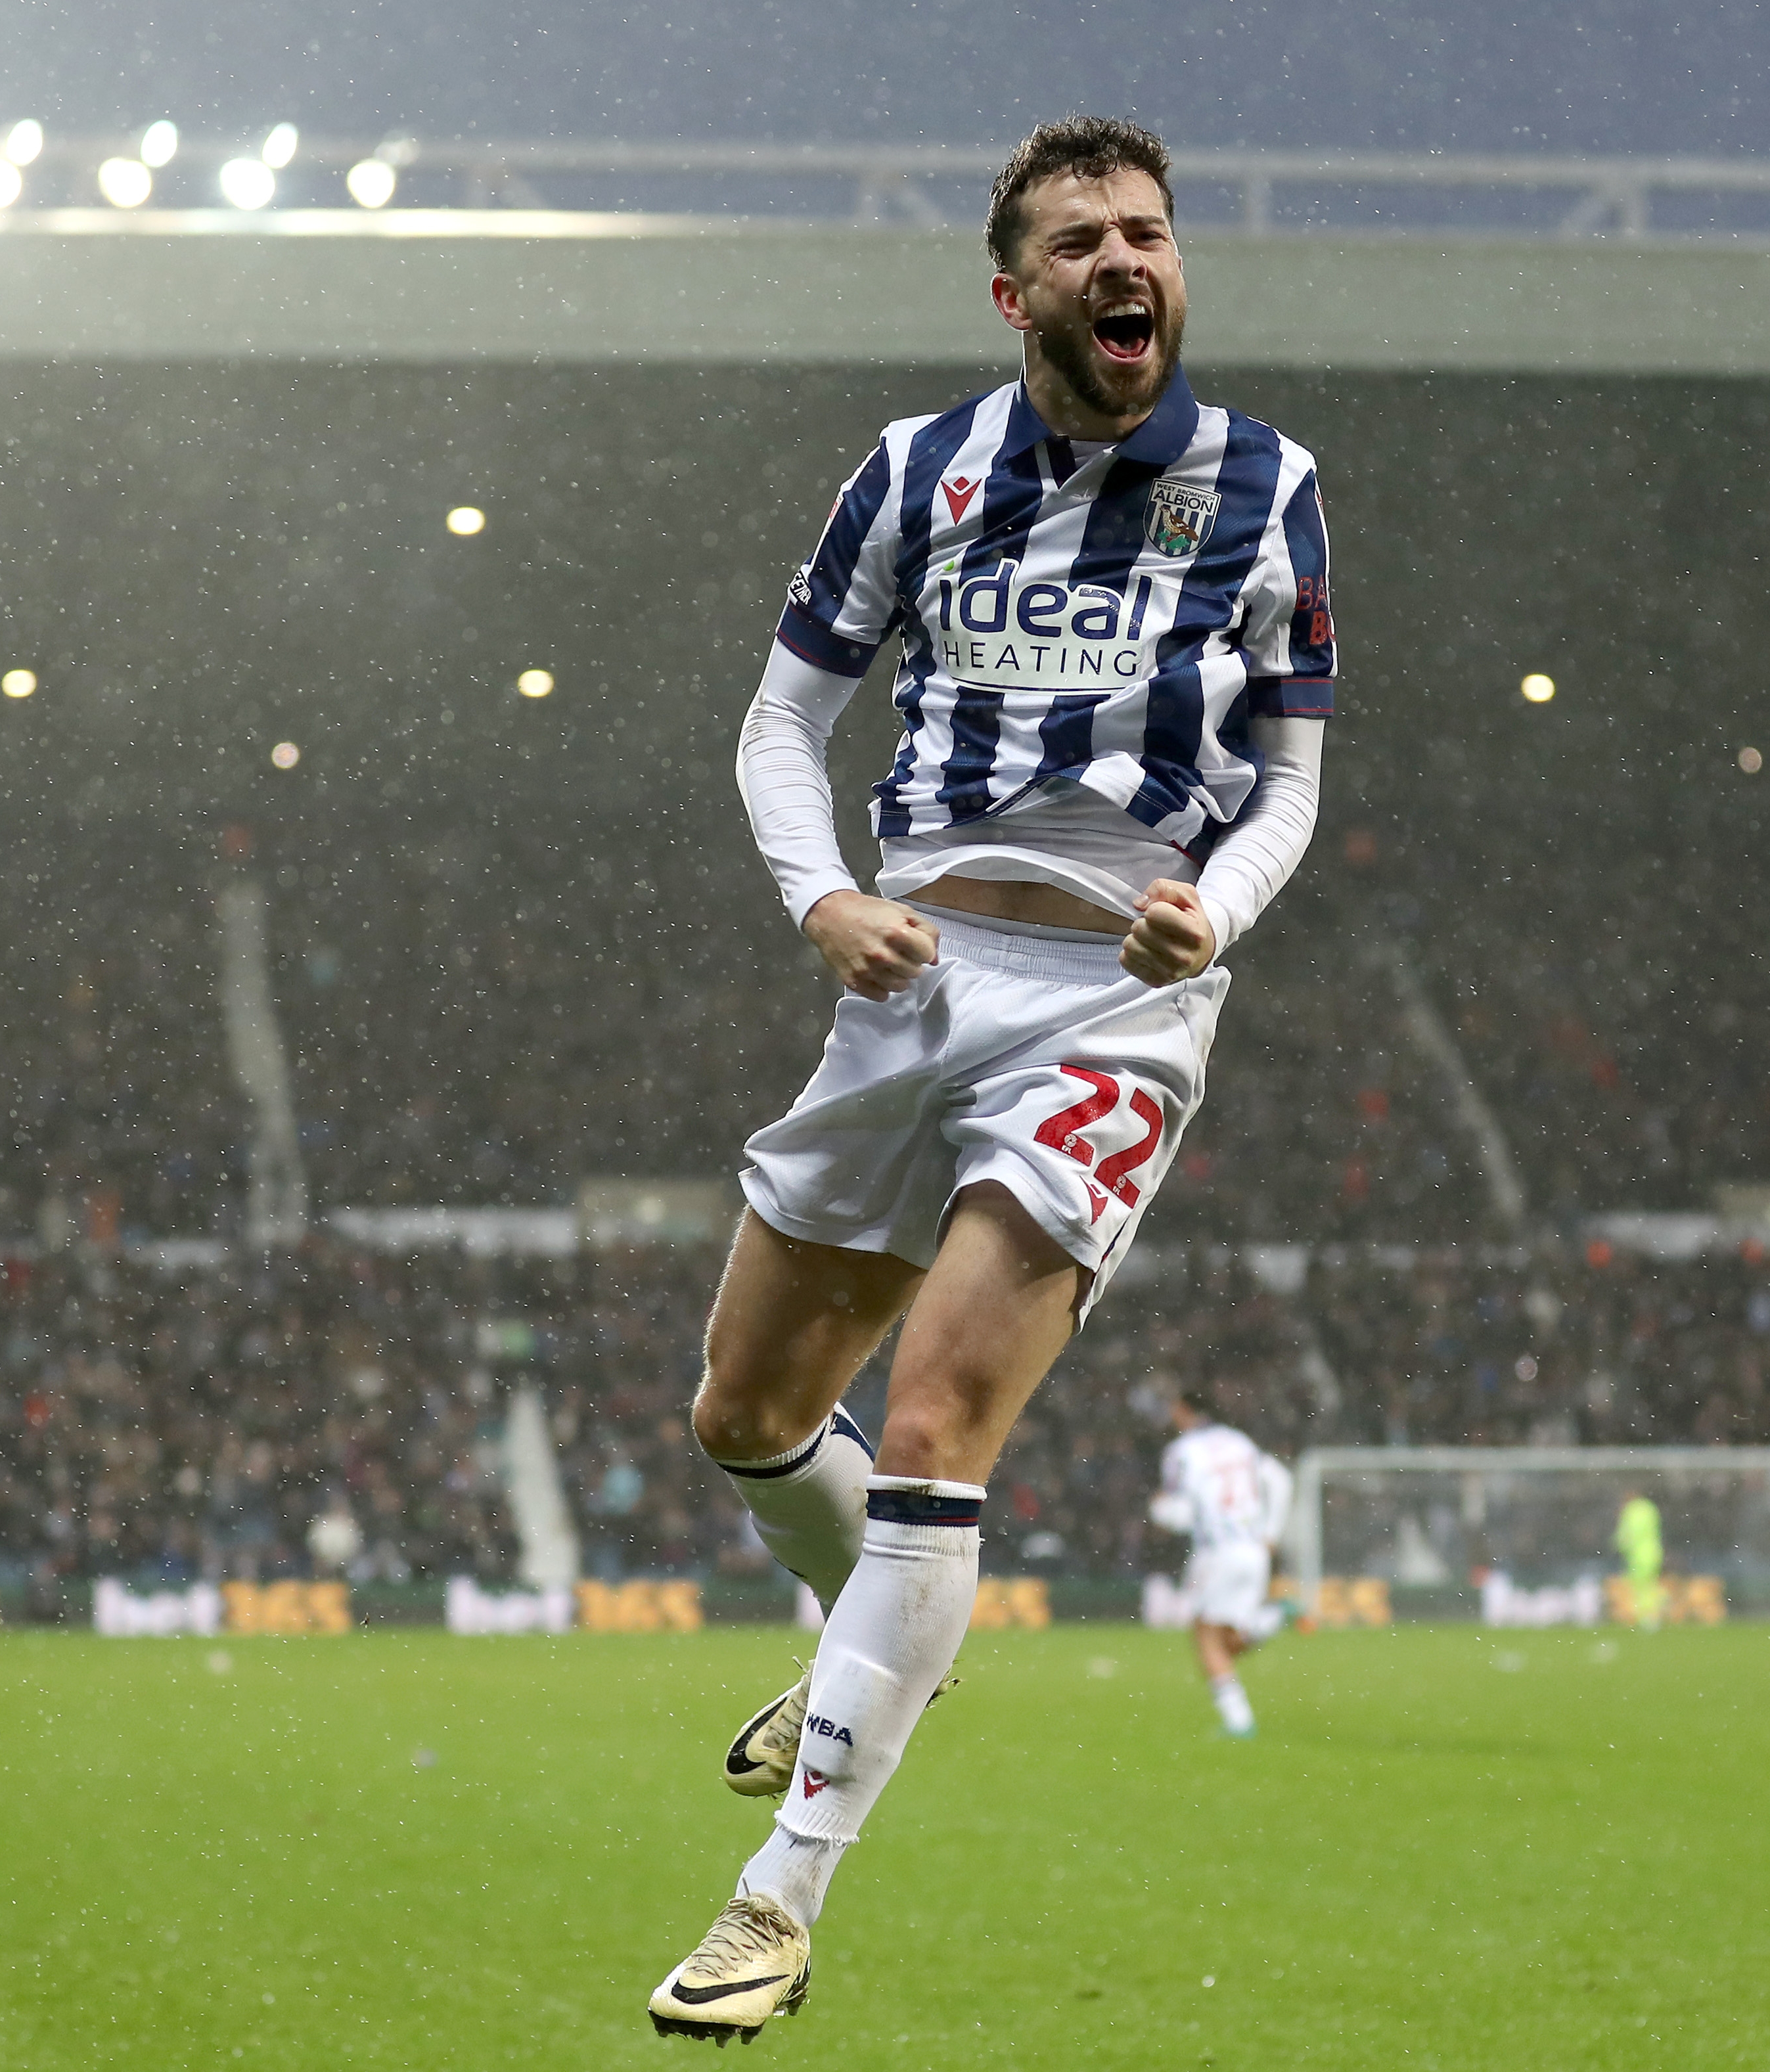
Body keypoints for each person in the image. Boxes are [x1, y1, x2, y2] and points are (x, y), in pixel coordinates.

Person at [647, 114, 1336, 2043]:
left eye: (1150, 231)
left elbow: (1283, 780)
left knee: (937, 1423)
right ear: (1014, 289)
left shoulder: (1265, 490)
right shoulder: (911, 473)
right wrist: (820, 899)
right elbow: (784, 716)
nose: (1129, 258)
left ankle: (774, 1898)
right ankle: (881, 1639)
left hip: (1110, 1001)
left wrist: (1224, 905)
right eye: (1082, 237)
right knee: (742, 1410)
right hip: (912, 969)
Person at [1150, 1393, 1294, 1736]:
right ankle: (1272, 1618)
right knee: (1229, 1641)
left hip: (1217, 1551)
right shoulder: (1239, 1442)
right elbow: (1281, 1481)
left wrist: (1158, 1510)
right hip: (1254, 1550)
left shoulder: (1181, 1452)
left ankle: (1239, 1722)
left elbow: (1182, 1513)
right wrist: (1271, 1531)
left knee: (1206, 1639)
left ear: (1183, 1411)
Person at [1616, 1488, 1665, 1631]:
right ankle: (1654, 1613)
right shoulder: (1650, 1508)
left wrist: (1618, 1545)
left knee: (1640, 1587)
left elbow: (1627, 1534)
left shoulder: (1631, 1510)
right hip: (1654, 1552)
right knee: (1651, 1584)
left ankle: (1646, 1617)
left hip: (1637, 1555)